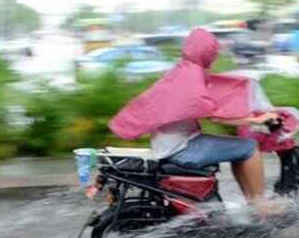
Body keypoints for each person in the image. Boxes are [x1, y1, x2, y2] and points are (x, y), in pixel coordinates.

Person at [109, 28, 282, 215]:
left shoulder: (182, 70)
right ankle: (260, 203)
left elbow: (207, 99)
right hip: (182, 149)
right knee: (249, 147)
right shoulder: (192, 75)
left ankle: (252, 202)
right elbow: (213, 115)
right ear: (206, 51)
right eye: (213, 52)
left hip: (172, 145)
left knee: (239, 149)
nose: (214, 57)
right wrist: (256, 119)